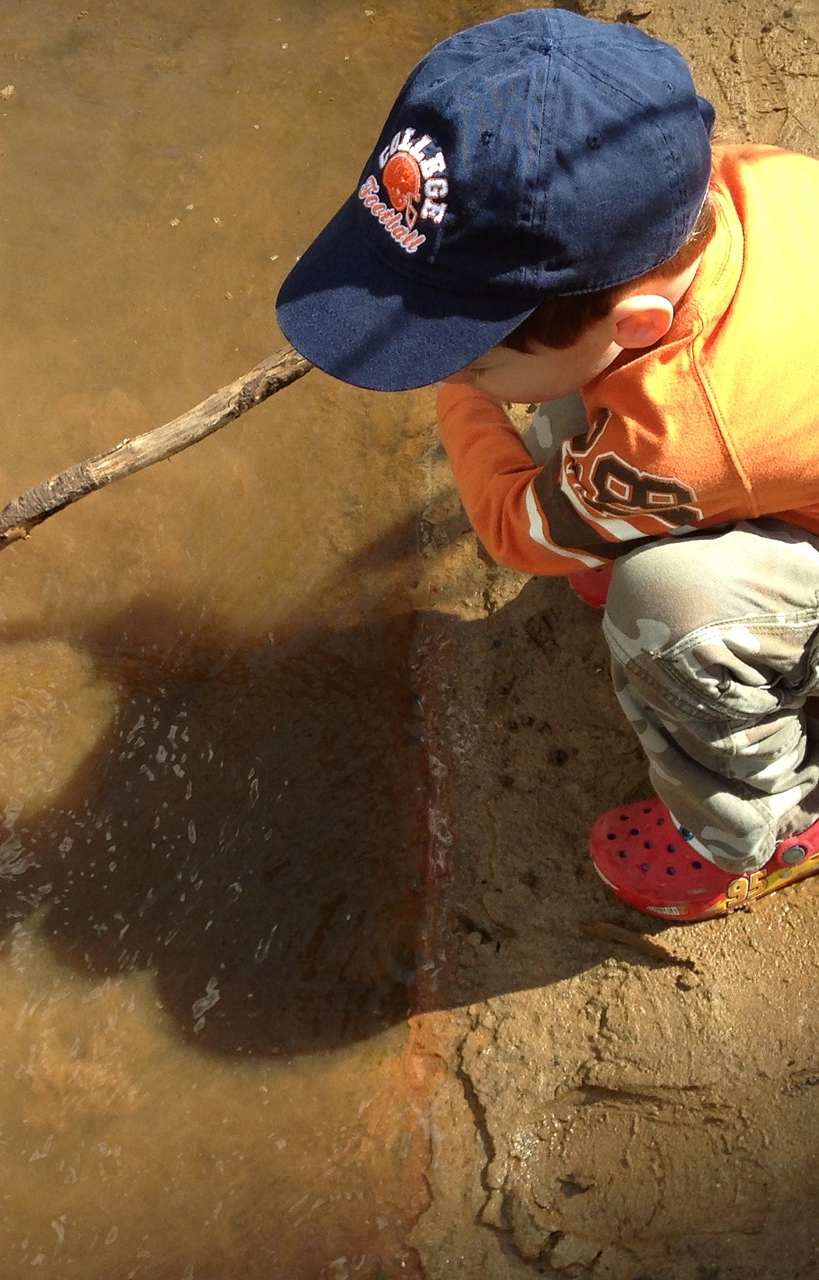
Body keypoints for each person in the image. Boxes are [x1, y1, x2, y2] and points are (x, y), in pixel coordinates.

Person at [275, 7, 819, 922]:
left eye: (473, 351)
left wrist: (459, 397)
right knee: (563, 398)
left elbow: (509, 528)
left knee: (671, 607)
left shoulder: (683, 435)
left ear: (639, 321)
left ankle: (764, 826)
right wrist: (492, 373)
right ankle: (634, 526)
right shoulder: (745, 182)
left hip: (735, 446)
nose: (456, 368)